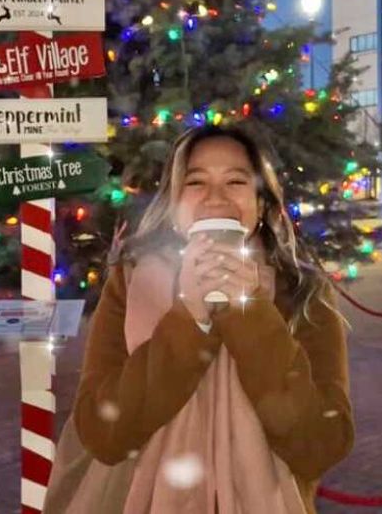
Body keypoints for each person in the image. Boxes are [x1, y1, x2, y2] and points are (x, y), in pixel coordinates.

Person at [45, 125, 352, 513]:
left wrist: (249, 313)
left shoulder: (304, 291)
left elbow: (321, 444)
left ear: (260, 205)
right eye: (196, 182)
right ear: (175, 206)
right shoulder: (132, 281)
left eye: (236, 181)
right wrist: (191, 319)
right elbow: (103, 433)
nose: (215, 198)